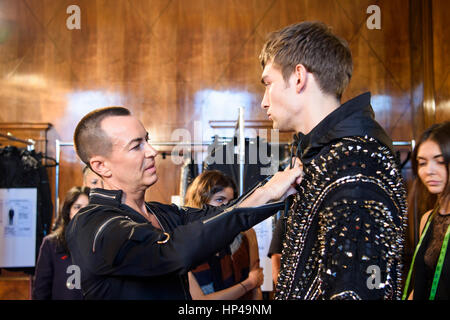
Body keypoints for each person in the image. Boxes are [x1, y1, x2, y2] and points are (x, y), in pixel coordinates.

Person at [66, 106, 302, 300]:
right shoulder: (92, 224)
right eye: (136, 145)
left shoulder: (162, 213)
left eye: (147, 140)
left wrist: (278, 191)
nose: (152, 151)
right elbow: (172, 251)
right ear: (101, 166)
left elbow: (224, 215)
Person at [259, 21, 407, 299]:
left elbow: (355, 291)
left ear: (299, 77)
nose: (264, 102)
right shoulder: (323, 154)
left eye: (268, 84)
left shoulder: (358, 163)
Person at [185, 170, 263, 300]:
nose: (227, 207)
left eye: (231, 201)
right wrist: (247, 284)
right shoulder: (185, 243)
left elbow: (257, 286)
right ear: (201, 202)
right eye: (220, 200)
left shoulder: (246, 234)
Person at [403, 122, 450, 300]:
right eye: (422, 163)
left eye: (440, 162)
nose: (429, 171)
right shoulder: (427, 219)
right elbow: (424, 285)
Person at [32, 186, 90, 300]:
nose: (82, 212)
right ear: (68, 211)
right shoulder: (51, 244)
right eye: (77, 207)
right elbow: (41, 291)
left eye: (88, 208)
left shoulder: (101, 242)